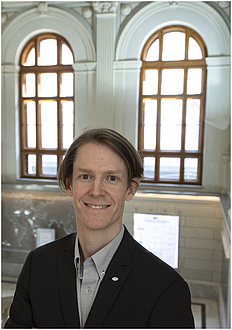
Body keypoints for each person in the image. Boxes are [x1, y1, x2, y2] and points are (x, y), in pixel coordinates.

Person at [5, 128, 195, 328]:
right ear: (69, 184)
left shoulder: (166, 288)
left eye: (111, 178)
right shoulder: (38, 265)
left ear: (130, 189)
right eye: (86, 176)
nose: (96, 191)